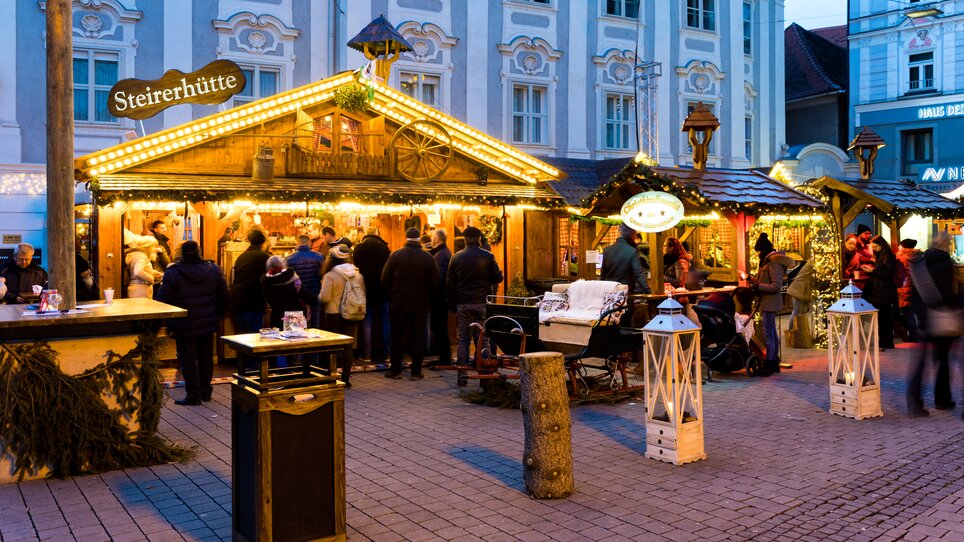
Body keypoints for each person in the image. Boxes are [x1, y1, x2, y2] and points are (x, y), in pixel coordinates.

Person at [156, 241, 228, 406]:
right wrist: (220, 314)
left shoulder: (173, 272)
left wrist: (160, 321)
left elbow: (163, 298)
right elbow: (223, 294)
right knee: (206, 357)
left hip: (183, 323)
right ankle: (205, 392)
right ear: (199, 252)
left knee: (187, 359)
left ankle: (193, 395)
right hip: (208, 322)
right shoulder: (213, 269)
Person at [906, 231, 960, 417]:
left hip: (922, 318)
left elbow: (913, 293)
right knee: (943, 360)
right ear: (946, 245)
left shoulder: (919, 262)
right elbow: (948, 293)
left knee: (920, 363)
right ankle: (942, 400)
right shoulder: (946, 263)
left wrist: (918, 314)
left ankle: (914, 403)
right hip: (941, 319)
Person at [382, 227, 439, 380]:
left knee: (397, 336)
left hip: (398, 303)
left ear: (406, 238)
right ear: (419, 239)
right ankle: (416, 371)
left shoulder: (395, 255)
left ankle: (396, 370)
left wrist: (391, 296)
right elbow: (435, 282)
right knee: (418, 337)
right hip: (420, 304)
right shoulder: (427, 258)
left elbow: (385, 280)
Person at [446, 226, 503, 378]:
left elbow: (450, 283)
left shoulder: (456, 257)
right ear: (478, 239)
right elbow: (498, 277)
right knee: (483, 339)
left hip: (463, 303)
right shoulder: (488, 257)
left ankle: (462, 375)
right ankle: (483, 375)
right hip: (482, 303)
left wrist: (453, 301)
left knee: (463, 339)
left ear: (465, 240)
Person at [318, 244, 364, 387]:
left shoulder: (330, 275)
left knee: (332, 346)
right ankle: (346, 379)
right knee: (348, 347)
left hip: (334, 314)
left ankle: (332, 376)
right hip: (352, 314)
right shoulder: (358, 274)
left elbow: (324, 297)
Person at [752, 233, 795, 375]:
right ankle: (772, 361)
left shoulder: (773, 262)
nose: (758, 254)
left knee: (768, 333)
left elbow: (776, 286)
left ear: (763, 250)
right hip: (766, 302)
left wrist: (759, 287)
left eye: (759, 251)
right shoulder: (767, 262)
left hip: (770, 303)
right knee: (771, 332)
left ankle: (770, 362)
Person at [354, 226, 391, 364]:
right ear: (377, 234)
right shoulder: (384, 248)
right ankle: (387, 354)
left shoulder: (359, 248)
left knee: (367, 322)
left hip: (366, 288)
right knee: (386, 321)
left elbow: (357, 264)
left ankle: (367, 355)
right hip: (382, 289)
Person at [864, 235, 898, 350]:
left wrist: (873, 271)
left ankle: (886, 342)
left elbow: (889, 273)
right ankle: (883, 341)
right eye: (872, 247)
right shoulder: (880, 256)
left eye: (875, 246)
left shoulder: (888, 256)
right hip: (880, 292)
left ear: (881, 245)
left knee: (885, 318)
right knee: (882, 318)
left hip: (884, 292)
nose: (874, 249)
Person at [286, 234, 325, 328]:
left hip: (296, 297)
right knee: (315, 325)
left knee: (294, 328)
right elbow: (323, 275)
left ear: (297, 243)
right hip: (315, 293)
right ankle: (316, 342)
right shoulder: (319, 257)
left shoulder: (288, 259)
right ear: (309, 243)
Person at [428, 228, 453, 367]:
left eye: (432, 237)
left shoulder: (441, 256)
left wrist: (433, 293)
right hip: (441, 298)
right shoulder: (442, 253)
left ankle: (445, 358)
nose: (431, 239)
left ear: (437, 239)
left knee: (440, 328)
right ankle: (443, 356)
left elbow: (439, 279)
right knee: (439, 328)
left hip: (439, 299)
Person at [601, 223, 649, 294]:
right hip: (625, 294)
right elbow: (638, 273)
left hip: (609, 293)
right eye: (634, 234)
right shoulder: (632, 251)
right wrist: (648, 290)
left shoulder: (606, 250)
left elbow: (603, 274)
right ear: (632, 234)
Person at [896, 239, 921, 342]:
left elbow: (899, 273)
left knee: (906, 313)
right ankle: (914, 335)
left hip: (904, 287)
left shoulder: (901, 257)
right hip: (915, 287)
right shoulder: (918, 256)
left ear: (904, 246)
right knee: (912, 312)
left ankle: (910, 335)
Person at [125, 234, 163, 299]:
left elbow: (137, 270)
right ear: (148, 246)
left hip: (137, 288)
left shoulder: (136, 254)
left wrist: (152, 272)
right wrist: (150, 278)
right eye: (154, 246)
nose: (155, 248)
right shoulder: (142, 256)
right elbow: (138, 271)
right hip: (141, 289)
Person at [662, 237, 693, 305]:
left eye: (665, 246)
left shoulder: (680, 261)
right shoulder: (669, 260)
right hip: (671, 296)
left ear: (671, 248)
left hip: (679, 298)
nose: (663, 248)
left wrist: (661, 277)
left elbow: (680, 281)